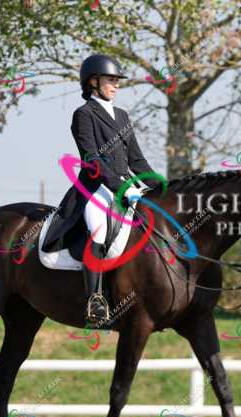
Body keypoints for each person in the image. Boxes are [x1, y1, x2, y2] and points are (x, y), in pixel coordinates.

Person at [44, 54, 159, 326]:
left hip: (126, 185)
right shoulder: (83, 114)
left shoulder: (122, 116)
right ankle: (94, 300)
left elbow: (137, 160)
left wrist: (162, 187)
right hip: (96, 187)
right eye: (111, 80)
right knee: (98, 228)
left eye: (117, 81)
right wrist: (122, 188)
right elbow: (92, 160)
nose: (116, 85)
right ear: (93, 82)